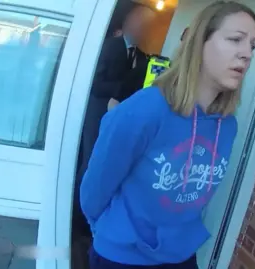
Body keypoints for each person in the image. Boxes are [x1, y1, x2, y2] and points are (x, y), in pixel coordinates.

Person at [80, 1, 255, 269]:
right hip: (122, 257)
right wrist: (110, 234)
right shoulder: (144, 110)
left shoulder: (227, 126)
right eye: (236, 40)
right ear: (200, 42)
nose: (246, 53)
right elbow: (94, 191)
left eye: (252, 45)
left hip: (181, 256)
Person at [74, 2, 155, 241]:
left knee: (107, 165)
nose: (144, 28)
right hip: (97, 115)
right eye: (141, 22)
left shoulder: (143, 58)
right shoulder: (108, 46)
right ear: (128, 22)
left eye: (148, 25)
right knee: (89, 162)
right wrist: (118, 94)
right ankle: (76, 218)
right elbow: (93, 82)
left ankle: (94, 217)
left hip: (121, 121)